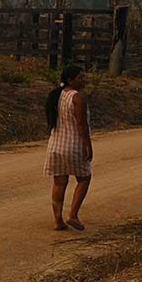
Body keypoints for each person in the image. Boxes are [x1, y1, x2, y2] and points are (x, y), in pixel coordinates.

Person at [43, 65, 93, 231]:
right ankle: (73, 215)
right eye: (81, 77)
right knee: (84, 178)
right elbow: (81, 124)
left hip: (56, 145)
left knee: (59, 182)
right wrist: (88, 145)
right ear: (70, 80)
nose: (84, 80)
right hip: (74, 145)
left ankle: (58, 221)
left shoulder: (57, 95)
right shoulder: (77, 97)